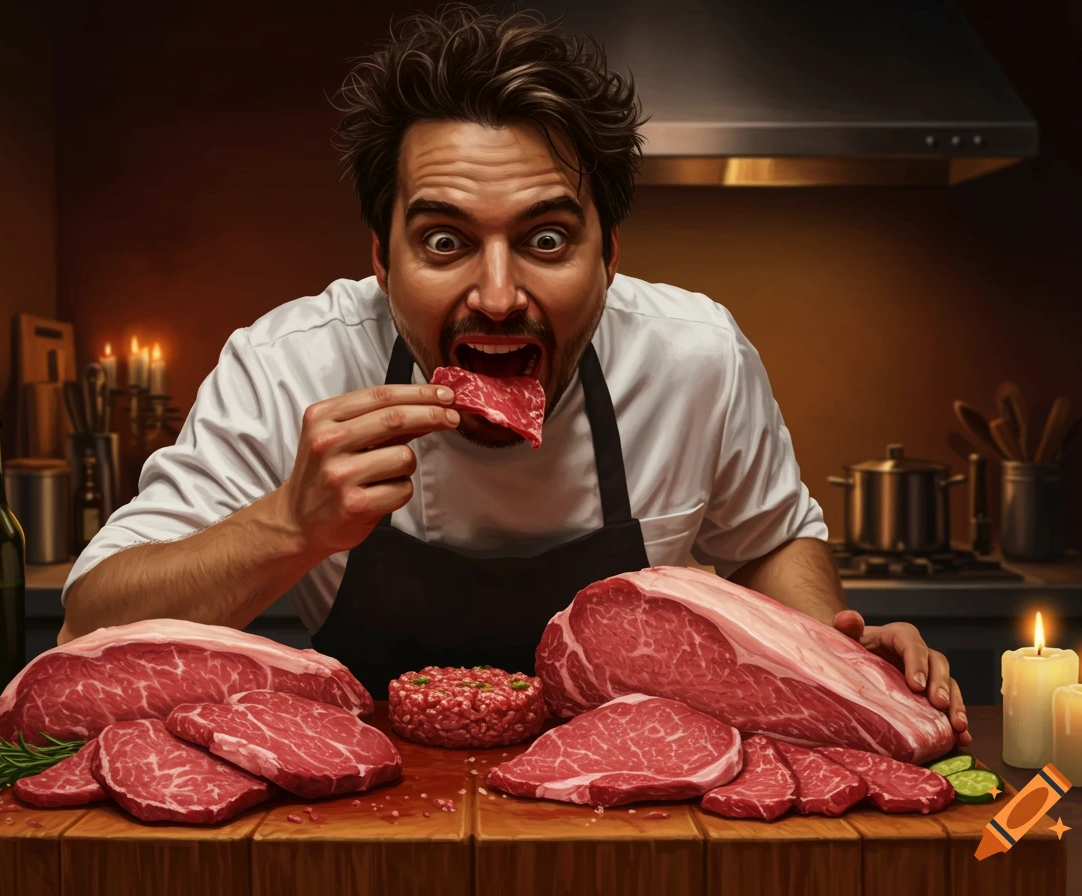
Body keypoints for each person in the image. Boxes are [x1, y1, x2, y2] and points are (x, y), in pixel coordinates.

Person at [59, 4, 969, 745]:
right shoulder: (288, 362)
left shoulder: (696, 356)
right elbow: (95, 620)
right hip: (367, 795)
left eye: (545, 239)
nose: (497, 296)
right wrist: (289, 526)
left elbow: (770, 537)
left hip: (634, 797)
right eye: (445, 241)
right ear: (382, 261)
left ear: (608, 256)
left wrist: (833, 656)